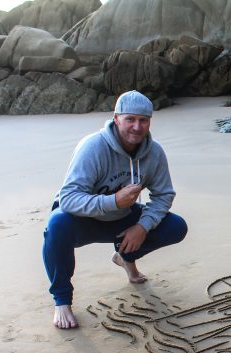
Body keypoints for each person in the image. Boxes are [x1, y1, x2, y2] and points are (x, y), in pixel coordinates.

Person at [43, 90, 188, 329]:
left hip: (123, 219)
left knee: (176, 227)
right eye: (130, 119)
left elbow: (163, 195)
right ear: (116, 118)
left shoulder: (154, 152)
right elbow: (68, 199)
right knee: (56, 225)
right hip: (83, 220)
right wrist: (113, 201)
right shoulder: (93, 147)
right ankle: (62, 301)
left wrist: (142, 226)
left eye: (143, 120)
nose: (137, 126)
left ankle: (124, 256)